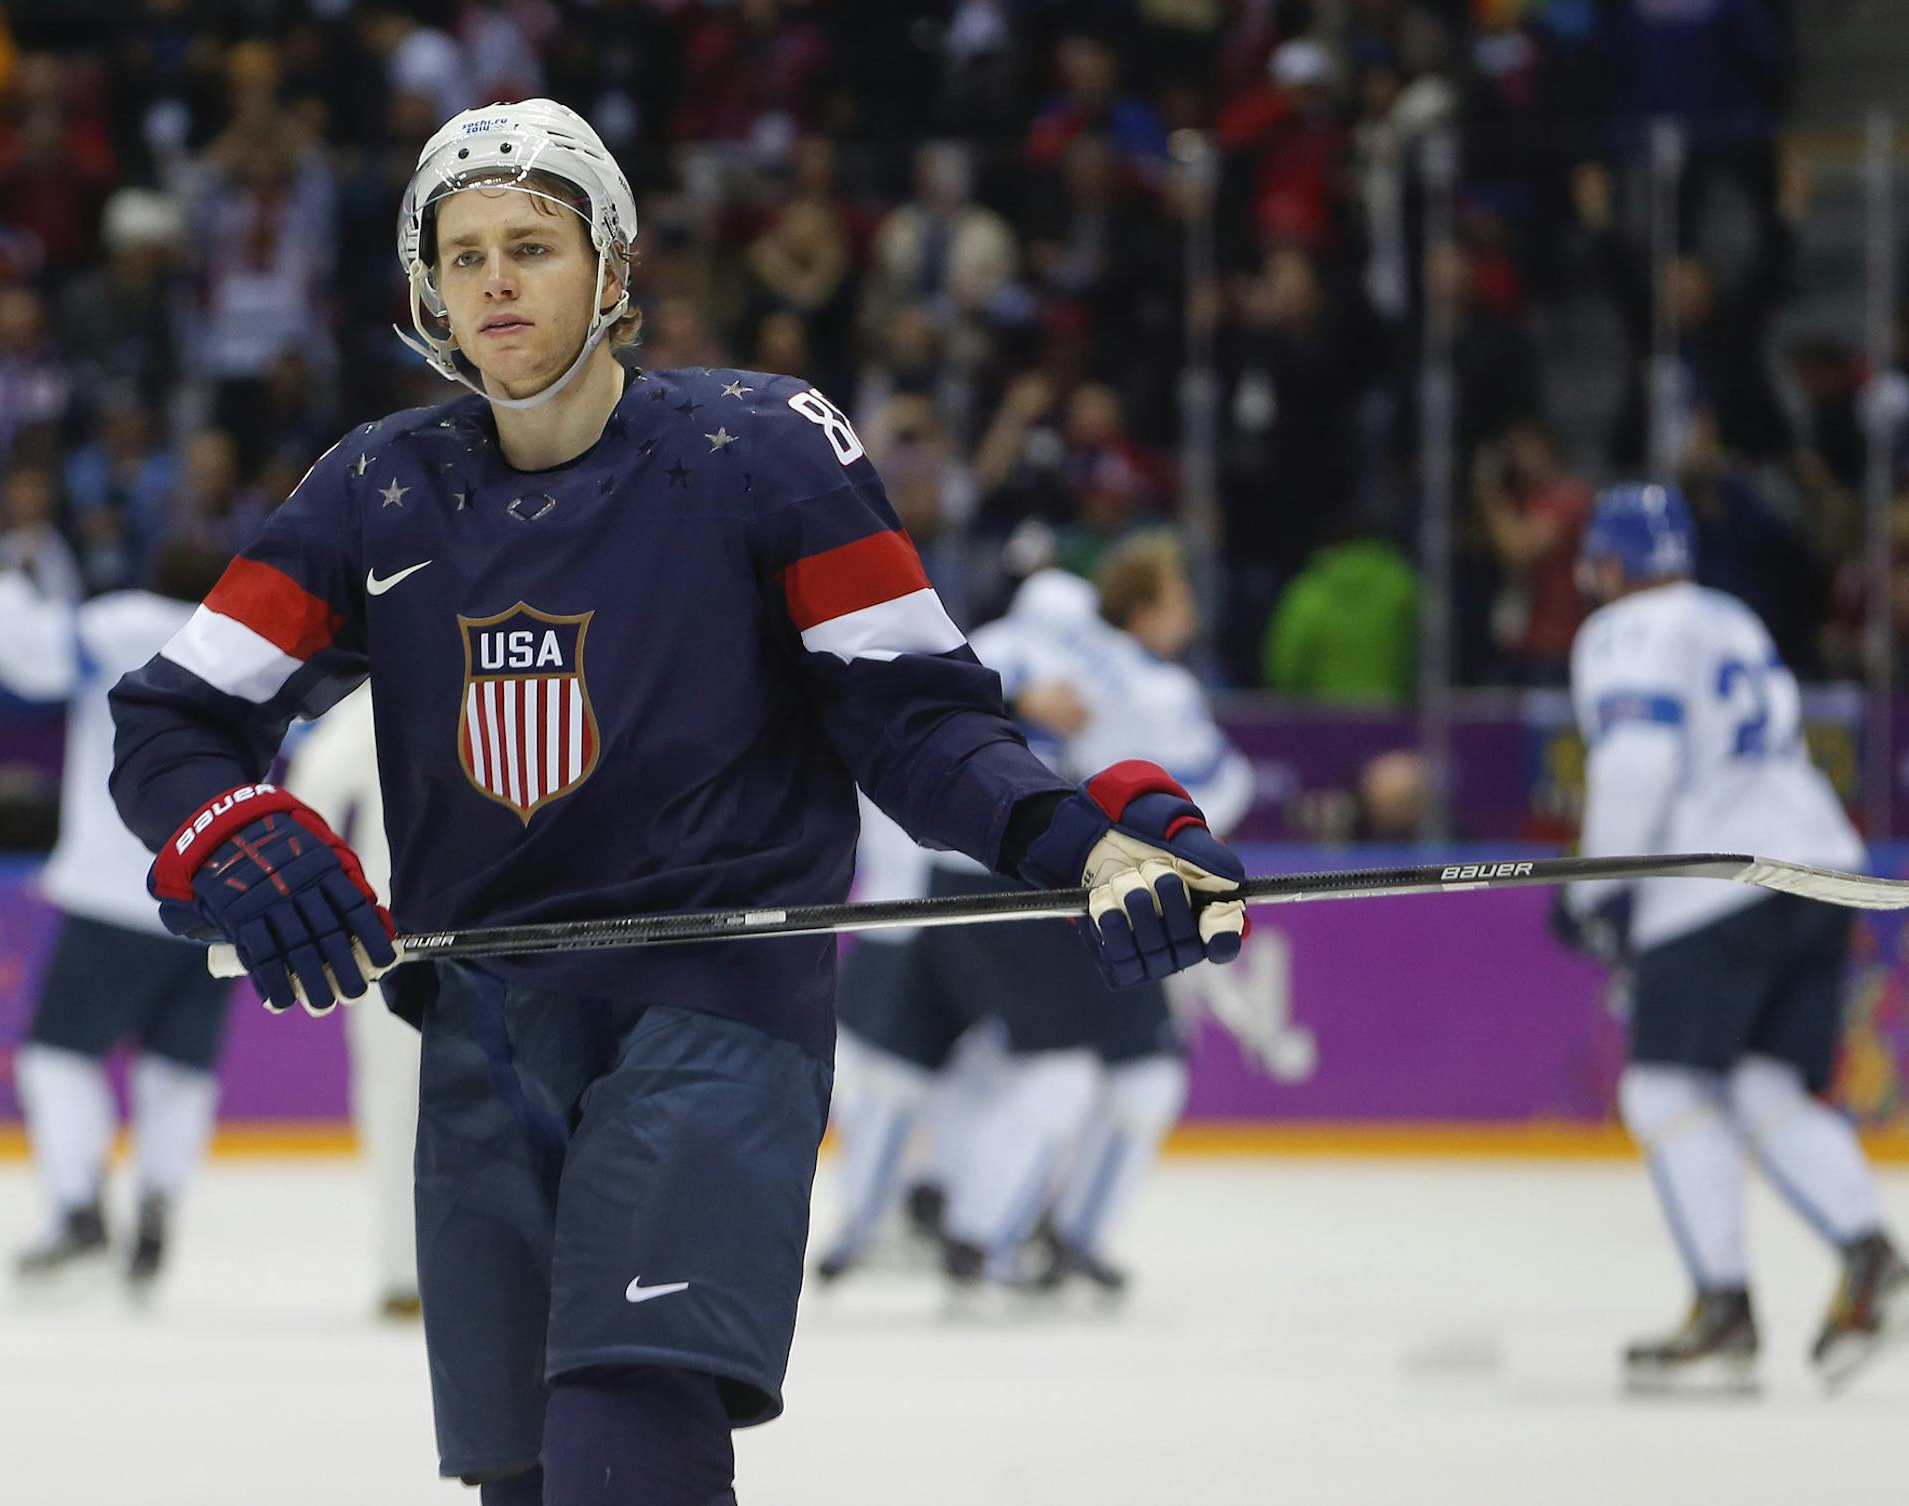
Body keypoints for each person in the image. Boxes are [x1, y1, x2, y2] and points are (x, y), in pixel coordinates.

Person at [107, 100, 1246, 1505]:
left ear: (613, 269)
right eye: (462, 256)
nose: (495, 281)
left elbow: (917, 714)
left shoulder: (765, 449)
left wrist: (1076, 839)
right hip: (482, 1028)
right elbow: (171, 719)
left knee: (622, 1442)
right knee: (526, 1482)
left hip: (713, 1007)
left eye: (532, 243)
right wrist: (234, 827)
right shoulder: (373, 489)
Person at [1554, 483, 1909, 1394]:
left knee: (1663, 1087)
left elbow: (1637, 765)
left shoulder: (1622, 632)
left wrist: (1603, 889)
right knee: (1763, 1080)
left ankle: (1724, 1315)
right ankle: (1872, 1262)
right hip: (1820, 864)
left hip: (1719, 883)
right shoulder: (1729, 615)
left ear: (1610, 565)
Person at [822, 539, 1254, 1296]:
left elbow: (926, 737)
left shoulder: (997, 637)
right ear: (1144, 609)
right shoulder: (1152, 690)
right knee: (1103, 1076)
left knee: (935, 1063)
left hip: (939, 878)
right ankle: (996, 1231)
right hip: (1061, 883)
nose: (1189, 614)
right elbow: (1219, 791)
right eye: (1179, 597)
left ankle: (925, 1213)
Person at [0, 500, 232, 1293]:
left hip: (115, 888)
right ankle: (161, 1202)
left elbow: (26, 654)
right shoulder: (249, 648)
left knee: (59, 1056)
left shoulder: (124, 624)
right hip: (220, 898)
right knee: (179, 1070)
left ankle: (77, 1208)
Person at [279, 684, 421, 1320]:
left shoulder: (377, 699)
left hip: (396, 937)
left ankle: (406, 1274)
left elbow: (311, 796)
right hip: (514, 928)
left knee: (398, 1104)